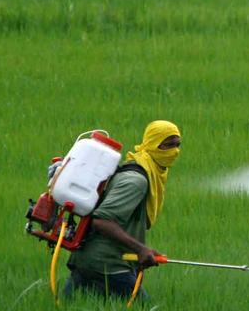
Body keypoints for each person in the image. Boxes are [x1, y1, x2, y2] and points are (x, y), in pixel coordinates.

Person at [63, 120, 182, 300]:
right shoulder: (136, 181)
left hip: (88, 260)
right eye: (167, 145)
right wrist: (140, 249)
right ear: (152, 144)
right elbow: (102, 220)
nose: (174, 151)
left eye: (177, 145)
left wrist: (139, 251)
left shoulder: (140, 170)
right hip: (108, 264)